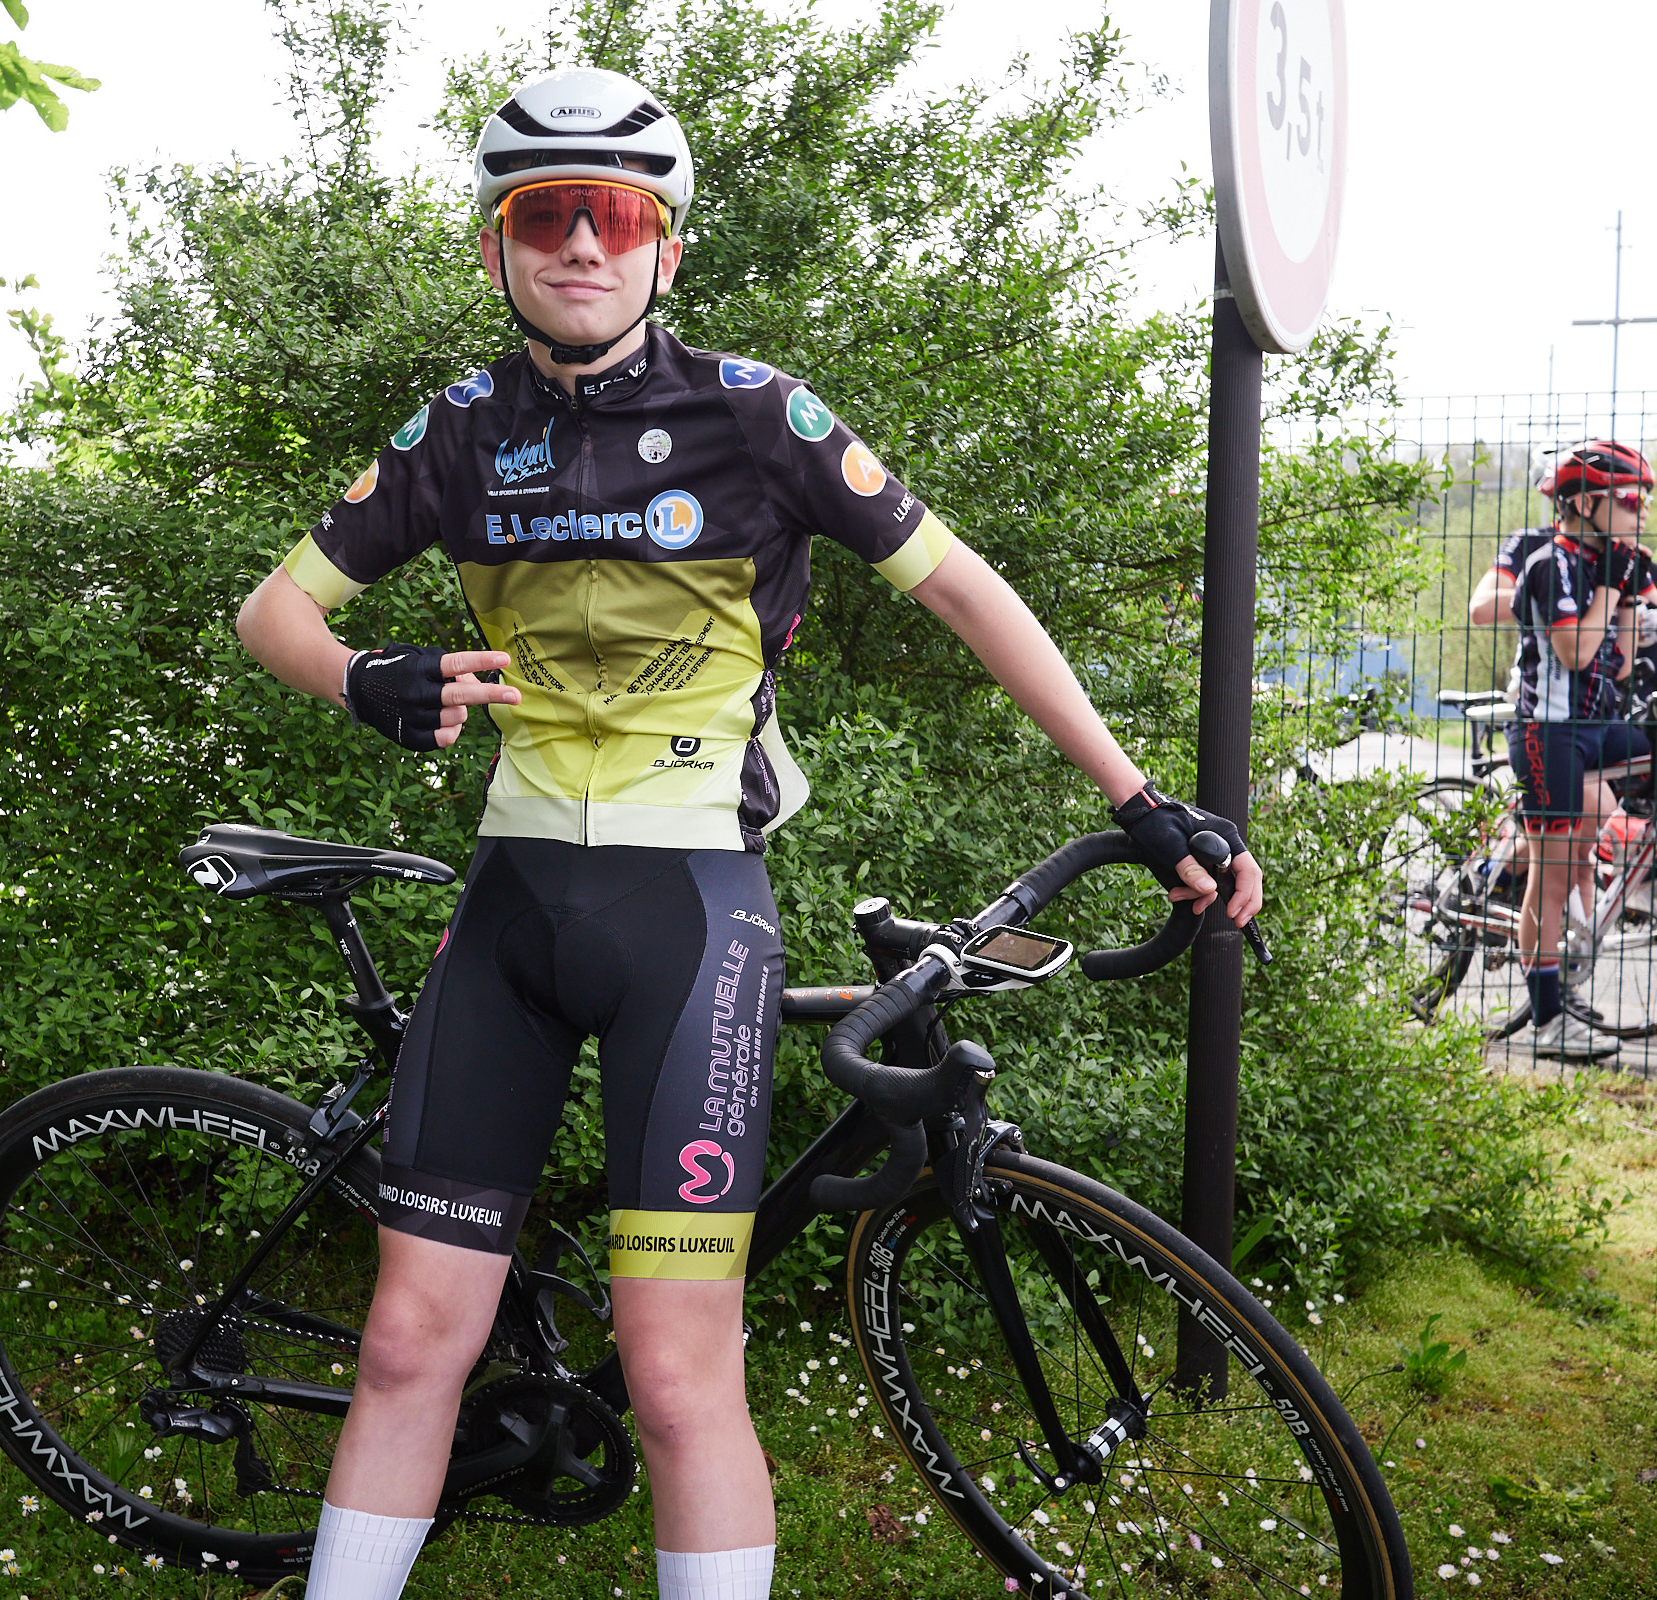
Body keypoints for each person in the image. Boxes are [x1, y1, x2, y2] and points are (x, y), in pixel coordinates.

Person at [235, 66, 1263, 1600]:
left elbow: (966, 591)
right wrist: (357, 676)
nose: (583, 243)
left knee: (674, 1373)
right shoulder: (458, 430)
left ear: (667, 245)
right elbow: (273, 614)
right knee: (403, 1345)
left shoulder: (755, 415)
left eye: (616, 213)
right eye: (546, 214)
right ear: (496, 244)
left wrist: (1138, 797)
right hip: (511, 908)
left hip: (691, 921)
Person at [1505, 440, 1656, 1057]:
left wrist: (1629, 597)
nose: (1641, 511)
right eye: (1630, 499)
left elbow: (1618, 664)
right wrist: (1612, 592)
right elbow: (1574, 654)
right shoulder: (1552, 563)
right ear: (1585, 503)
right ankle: (1549, 1023)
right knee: (1552, 874)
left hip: (1596, 724)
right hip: (1549, 733)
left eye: (1644, 501)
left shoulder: (1608, 563)